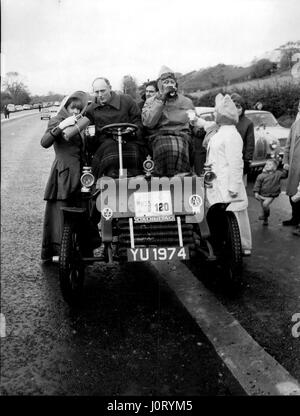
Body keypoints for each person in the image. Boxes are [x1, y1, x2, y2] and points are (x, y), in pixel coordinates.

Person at [40, 91, 100, 262]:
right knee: (60, 212)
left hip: (82, 173)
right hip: (64, 172)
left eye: (78, 109)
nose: (75, 112)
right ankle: (59, 251)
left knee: (86, 209)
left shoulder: (79, 123)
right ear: (66, 107)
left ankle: (83, 248)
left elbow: (87, 148)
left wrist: (91, 136)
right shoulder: (56, 121)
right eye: (72, 108)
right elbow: (44, 143)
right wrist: (60, 127)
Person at [204, 93, 252, 256]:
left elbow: (236, 163)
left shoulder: (232, 135)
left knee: (234, 220)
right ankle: (223, 247)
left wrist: (234, 186)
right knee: (220, 219)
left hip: (227, 185)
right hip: (218, 184)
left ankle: (238, 249)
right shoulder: (221, 133)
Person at [85, 77, 146, 178]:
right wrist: (90, 137)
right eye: (97, 92)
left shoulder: (127, 100)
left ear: (110, 88)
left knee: (136, 152)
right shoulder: (91, 110)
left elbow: (138, 121)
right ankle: (107, 180)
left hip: (130, 140)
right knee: (110, 155)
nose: (100, 95)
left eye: (103, 91)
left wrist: (132, 131)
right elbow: (91, 137)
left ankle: (136, 179)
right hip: (106, 144)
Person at [142, 66, 195, 176]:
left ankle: (181, 181)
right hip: (159, 135)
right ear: (160, 85)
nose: (170, 85)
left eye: (172, 82)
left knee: (180, 146)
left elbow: (194, 121)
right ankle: (161, 181)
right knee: (164, 146)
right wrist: (161, 100)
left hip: (182, 135)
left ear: (176, 84)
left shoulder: (187, 101)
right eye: (166, 82)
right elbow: (148, 123)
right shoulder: (151, 101)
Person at [253, 159, 288, 225]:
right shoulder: (261, 176)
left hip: (271, 194)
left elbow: (284, 175)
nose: (267, 166)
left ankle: (266, 215)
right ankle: (265, 220)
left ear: (274, 167)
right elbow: (257, 185)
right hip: (262, 194)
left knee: (265, 204)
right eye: (266, 164)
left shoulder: (278, 173)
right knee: (264, 208)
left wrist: (286, 169)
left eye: (270, 164)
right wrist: (256, 192)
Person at [231, 93, 255, 185]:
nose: (236, 109)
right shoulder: (226, 121)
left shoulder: (248, 123)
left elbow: (250, 144)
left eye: (238, 106)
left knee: (240, 187)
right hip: (227, 159)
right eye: (234, 106)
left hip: (240, 160)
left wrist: (247, 161)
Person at [282, 115, 300, 236]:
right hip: (294, 166)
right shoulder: (296, 124)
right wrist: (285, 161)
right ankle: (295, 218)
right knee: (292, 193)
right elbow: (288, 144)